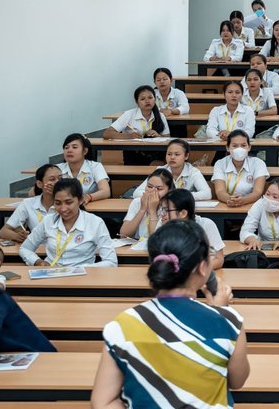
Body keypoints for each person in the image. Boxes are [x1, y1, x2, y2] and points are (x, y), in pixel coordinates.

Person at [92, 221, 247, 409]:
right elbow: (237, 381)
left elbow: (103, 402)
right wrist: (221, 311)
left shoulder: (122, 325)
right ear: (202, 267)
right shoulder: (229, 321)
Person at [20, 179, 118, 268]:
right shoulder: (48, 221)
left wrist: (81, 269)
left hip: (83, 277)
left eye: (68, 202)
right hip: (51, 274)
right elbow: (25, 248)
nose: (63, 209)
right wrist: (38, 262)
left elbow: (111, 262)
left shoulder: (95, 222)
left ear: (80, 200)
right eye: (58, 203)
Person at [156, 189, 225, 271]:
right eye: (162, 209)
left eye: (166, 210)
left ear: (183, 213)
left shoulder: (206, 225)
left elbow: (219, 260)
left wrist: (193, 270)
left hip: (201, 274)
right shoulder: (162, 224)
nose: (162, 214)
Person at [0, 164, 60, 241]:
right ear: (39, 184)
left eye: (60, 178)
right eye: (52, 179)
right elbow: (3, 232)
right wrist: (18, 236)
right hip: (37, 249)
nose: (57, 182)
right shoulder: (28, 203)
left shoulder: (67, 203)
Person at [211, 131, 269, 208]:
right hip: (228, 205)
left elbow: (257, 192)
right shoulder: (220, 163)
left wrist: (243, 200)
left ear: (249, 147)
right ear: (227, 148)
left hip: (251, 206)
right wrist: (230, 200)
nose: (239, 149)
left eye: (243, 145)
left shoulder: (258, 163)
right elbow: (220, 191)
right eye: (234, 146)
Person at [120, 169, 174, 242]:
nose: (152, 191)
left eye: (159, 189)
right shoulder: (137, 202)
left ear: (169, 190)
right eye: (149, 186)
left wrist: (152, 210)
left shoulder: (171, 207)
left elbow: (157, 239)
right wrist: (142, 209)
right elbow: (123, 234)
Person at [57, 133, 111, 204]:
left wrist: (89, 197)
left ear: (85, 151)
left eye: (74, 147)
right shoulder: (58, 168)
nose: (69, 150)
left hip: (89, 207)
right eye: (66, 147)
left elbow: (106, 191)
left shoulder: (95, 166)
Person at [104, 86, 170, 141]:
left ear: (154, 99)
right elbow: (107, 133)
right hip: (133, 152)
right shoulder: (128, 114)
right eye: (142, 99)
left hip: (155, 152)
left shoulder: (160, 115)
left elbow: (167, 138)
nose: (147, 101)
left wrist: (158, 135)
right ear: (137, 102)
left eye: (150, 98)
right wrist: (129, 136)